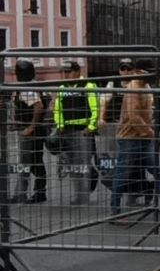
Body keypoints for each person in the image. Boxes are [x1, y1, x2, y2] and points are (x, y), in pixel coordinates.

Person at [110, 59, 160, 216]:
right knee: (122, 175)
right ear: (138, 71)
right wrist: (150, 132)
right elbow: (134, 117)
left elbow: (146, 113)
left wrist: (149, 132)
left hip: (144, 139)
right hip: (129, 138)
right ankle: (115, 212)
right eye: (147, 71)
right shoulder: (133, 89)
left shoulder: (146, 86)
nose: (151, 75)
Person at [53, 60, 98, 205]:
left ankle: (84, 196)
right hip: (67, 131)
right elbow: (58, 110)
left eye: (69, 71)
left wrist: (91, 127)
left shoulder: (88, 86)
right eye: (64, 72)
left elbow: (95, 108)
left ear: (78, 71)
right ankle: (78, 194)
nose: (66, 74)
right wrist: (60, 126)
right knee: (72, 165)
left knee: (84, 164)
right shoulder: (62, 88)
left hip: (83, 131)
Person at [10, 59, 47, 204]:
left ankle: (21, 193)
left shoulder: (27, 88)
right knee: (36, 162)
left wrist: (30, 127)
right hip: (33, 129)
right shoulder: (32, 85)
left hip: (31, 131)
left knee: (25, 163)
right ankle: (39, 193)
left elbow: (39, 107)